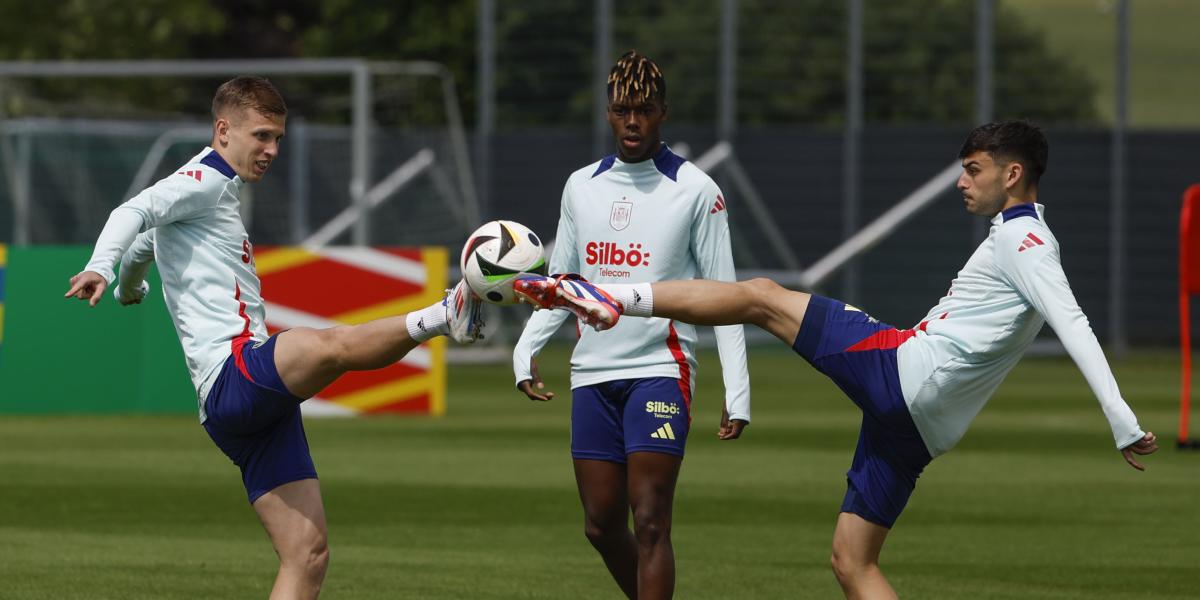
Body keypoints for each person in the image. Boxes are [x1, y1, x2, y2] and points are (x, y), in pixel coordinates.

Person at [512, 120, 1159, 599]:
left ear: (1011, 174)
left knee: (761, 297)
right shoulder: (1021, 237)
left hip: (903, 374)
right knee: (853, 562)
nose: (963, 182)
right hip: (923, 428)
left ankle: (609, 296)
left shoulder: (1025, 239)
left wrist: (1121, 418)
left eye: (974, 169)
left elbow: (1073, 322)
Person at [63, 76, 484, 600]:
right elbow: (132, 212)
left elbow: (145, 241)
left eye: (278, 139)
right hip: (234, 375)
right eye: (261, 136)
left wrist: (130, 288)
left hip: (241, 411)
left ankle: (445, 317)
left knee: (307, 554)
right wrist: (101, 267)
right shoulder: (204, 179)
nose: (271, 150)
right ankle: (445, 315)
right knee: (326, 346)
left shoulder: (207, 191)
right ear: (223, 130)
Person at [512, 51, 750, 600]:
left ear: (663, 112)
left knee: (650, 521)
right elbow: (561, 282)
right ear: (608, 114)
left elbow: (727, 296)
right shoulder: (581, 186)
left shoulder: (696, 190)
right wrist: (525, 352)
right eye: (623, 111)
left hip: (660, 370)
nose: (633, 122)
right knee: (600, 525)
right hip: (592, 373)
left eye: (644, 110)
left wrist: (737, 390)